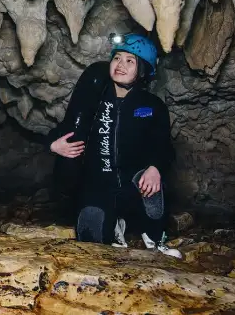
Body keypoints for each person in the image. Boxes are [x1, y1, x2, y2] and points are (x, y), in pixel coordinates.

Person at [47, 33, 182, 258]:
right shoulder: (93, 99)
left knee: (152, 186)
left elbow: (164, 147)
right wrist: (53, 145)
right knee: (90, 243)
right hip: (98, 185)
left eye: (130, 61)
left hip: (134, 184)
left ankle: (155, 238)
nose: (121, 65)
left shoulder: (153, 106)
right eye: (117, 58)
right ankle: (115, 226)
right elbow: (65, 128)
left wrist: (155, 167)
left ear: (142, 70)